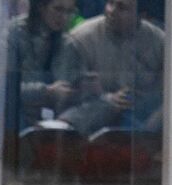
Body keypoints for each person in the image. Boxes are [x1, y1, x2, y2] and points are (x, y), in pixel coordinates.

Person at [55, 0, 164, 136]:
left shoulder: (160, 41)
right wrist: (108, 101)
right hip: (90, 129)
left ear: (141, 15)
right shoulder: (79, 40)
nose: (111, 11)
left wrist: (151, 128)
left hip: (145, 126)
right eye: (110, 3)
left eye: (122, 7)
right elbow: (63, 102)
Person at [6, 0, 79, 131]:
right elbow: (4, 88)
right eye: (58, 9)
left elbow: (72, 87)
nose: (64, 17)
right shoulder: (12, 35)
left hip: (54, 118)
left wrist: (84, 88)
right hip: (18, 114)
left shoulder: (68, 43)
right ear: (41, 7)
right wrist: (45, 92)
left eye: (70, 11)